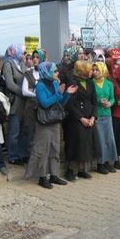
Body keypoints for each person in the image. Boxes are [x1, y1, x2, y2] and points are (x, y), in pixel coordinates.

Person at [24, 61, 77, 189]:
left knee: (55, 148)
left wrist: (67, 94)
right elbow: (45, 103)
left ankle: (54, 174)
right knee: (43, 150)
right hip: (44, 122)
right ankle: (42, 177)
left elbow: (60, 104)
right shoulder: (40, 86)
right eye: (54, 71)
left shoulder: (54, 83)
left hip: (54, 121)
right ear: (46, 72)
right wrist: (58, 93)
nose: (57, 73)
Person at [64, 60, 100, 180]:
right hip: (76, 119)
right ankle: (70, 170)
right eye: (89, 69)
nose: (91, 72)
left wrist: (93, 117)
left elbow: (94, 101)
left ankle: (82, 170)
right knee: (75, 144)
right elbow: (69, 104)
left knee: (86, 145)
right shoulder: (72, 82)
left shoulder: (90, 83)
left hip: (89, 117)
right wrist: (81, 118)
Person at [2, 44, 29, 165]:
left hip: (25, 102)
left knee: (24, 130)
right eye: (22, 52)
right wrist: (24, 92)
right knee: (14, 131)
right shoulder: (8, 64)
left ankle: (23, 154)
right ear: (14, 51)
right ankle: (13, 155)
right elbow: (10, 84)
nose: (23, 55)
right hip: (16, 102)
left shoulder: (22, 64)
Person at [92, 61, 119, 174]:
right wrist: (99, 101)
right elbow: (91, 99)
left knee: (109, 139)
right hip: (98, 115)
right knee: (100, 140)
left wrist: (110, 103)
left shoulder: (109, 84)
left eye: (97, 70)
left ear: (103, 71)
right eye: (93, 70)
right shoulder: (91, 83)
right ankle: (100, 164)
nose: (94, 72)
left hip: (107, 114)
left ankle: (108, 162)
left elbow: (113, 98)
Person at [21, 49, 45, 157]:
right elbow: (24, 91)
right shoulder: (28, 73)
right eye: (33, 57)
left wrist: (33, 90)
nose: (35, 59)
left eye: (37, 57)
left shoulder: (46, 73)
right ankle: (31, 160)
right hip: (30, 108)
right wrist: (38, 94)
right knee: (30, 133)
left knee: (41, 134)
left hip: (43, 108)